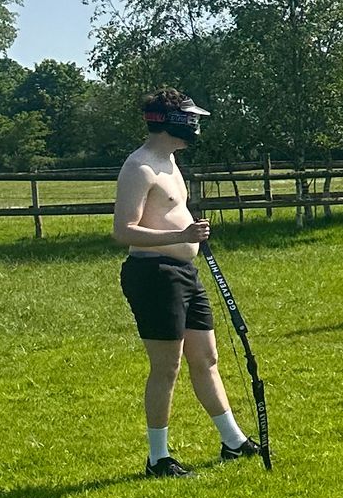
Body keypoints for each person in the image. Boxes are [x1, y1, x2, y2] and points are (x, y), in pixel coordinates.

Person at [112, 90, 261, 478]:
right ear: (169, 121)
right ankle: (157, 459)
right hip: (154, 275)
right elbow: (123, 230)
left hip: (185, 274)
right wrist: (180, 236)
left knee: (206, 359)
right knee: (167, 367)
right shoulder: (139, 167)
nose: (196, 125)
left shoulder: (171, 162)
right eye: (190, 118)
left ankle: (233, 441)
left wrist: (191, 235)